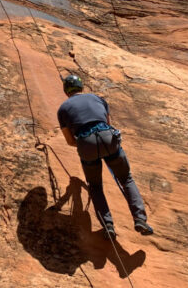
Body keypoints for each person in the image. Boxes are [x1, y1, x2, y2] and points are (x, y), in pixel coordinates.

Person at [57, 74, 153, 238]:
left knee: (95, 186)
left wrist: (84, 145)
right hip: (108, 138)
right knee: (126, 179)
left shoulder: (63, 109)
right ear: (81, 87)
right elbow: (108, 123)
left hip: (86, 143)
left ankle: (108, 226)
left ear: (66, 91)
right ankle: (140, 219)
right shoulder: (97, 98)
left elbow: (69, 141)